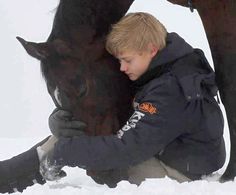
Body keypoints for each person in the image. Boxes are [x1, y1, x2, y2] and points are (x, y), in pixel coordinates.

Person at [0, 12, 226, 193]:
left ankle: (8, 176)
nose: (122, 68)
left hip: (179, 175)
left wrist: (66, 152)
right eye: (119, 60)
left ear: (152, 49)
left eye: (126, 60)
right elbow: (107, 107)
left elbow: (128, 148)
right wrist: (58, 122)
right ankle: (8, 175)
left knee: (80, 145)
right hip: (166, 154)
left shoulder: (170, 88)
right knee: (76, 137)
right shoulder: (159, 68)